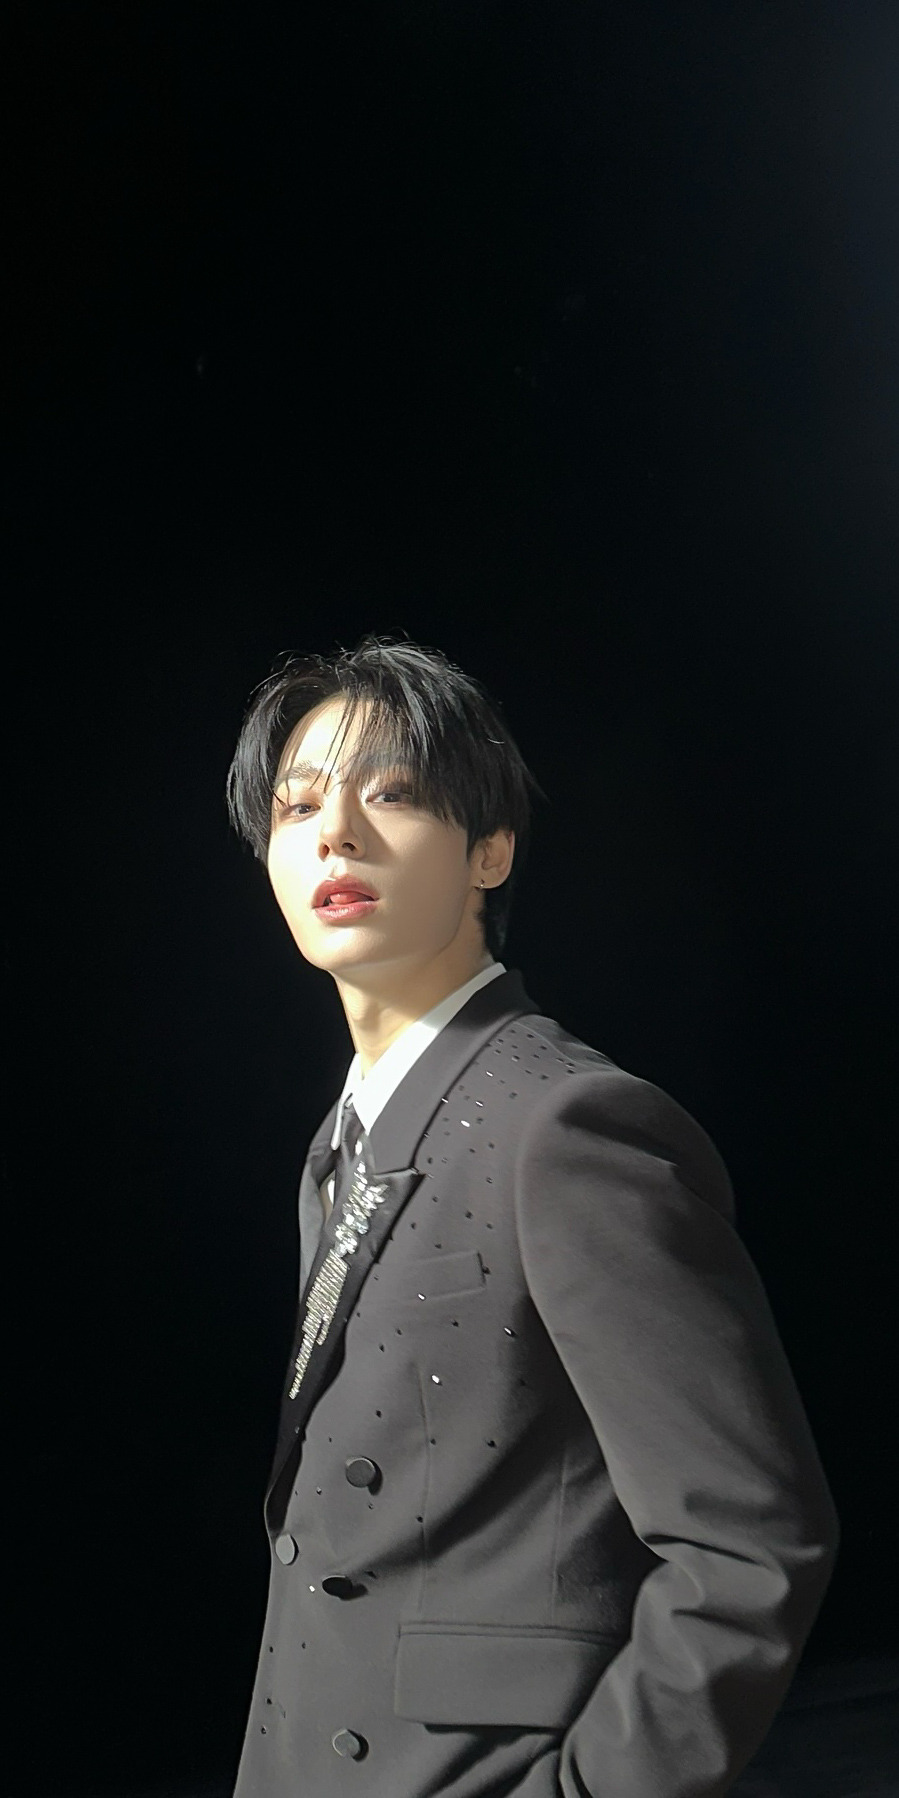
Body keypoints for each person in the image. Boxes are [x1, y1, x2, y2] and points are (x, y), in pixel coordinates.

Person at [225, 632, 839, 1798]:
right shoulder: (338, 1143)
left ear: (489, 851)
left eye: (390, 793)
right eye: (297, 805)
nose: (334, 833)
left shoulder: (565, 1124)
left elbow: (750, 1545)